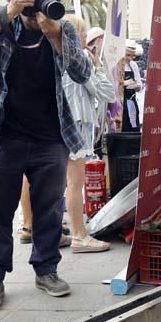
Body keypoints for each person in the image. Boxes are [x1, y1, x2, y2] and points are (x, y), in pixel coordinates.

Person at [0, 0, 91, 309]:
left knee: (49, 210)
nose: (35, 3)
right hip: (2, 136)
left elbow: (82, 73)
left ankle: (46, 270)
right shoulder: (1, 24)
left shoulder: (60, 27)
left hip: (51, 137)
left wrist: (55, 35)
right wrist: (7, 11)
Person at [61, 16, 115, 253]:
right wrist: (100, 68)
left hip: (56, 122)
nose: (85, 38)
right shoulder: (79, 57)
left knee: (57, 183)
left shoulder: (53, 54)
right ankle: (79, 234)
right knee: (75, 182)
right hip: (76, 122)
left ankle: (52, 229)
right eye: (82, 33)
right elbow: (105, 91)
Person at [120, 41, 142, 132]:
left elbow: (139, 84)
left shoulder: (133, 65)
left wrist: (135, 86)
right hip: (119, 103)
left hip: (131, 102)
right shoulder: (117, 64)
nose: (130, 58)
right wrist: (124, 83)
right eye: (128, 55)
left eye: (132, 56)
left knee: (133, 128)